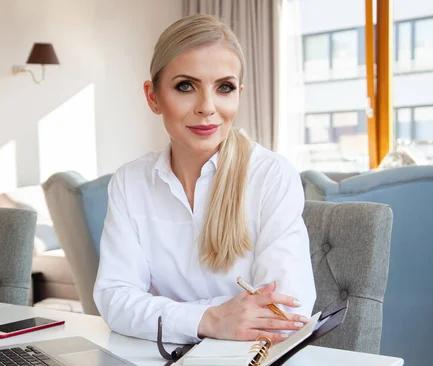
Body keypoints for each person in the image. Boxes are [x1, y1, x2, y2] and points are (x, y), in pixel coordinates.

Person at [93, 14, 316, 344]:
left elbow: (284, 313)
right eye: (186, 86)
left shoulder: (271, 175)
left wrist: (162, 313)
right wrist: (211, 319)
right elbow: (114, 300)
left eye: (224, 88)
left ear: (238, 94)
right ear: (153, 96)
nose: (207, 107)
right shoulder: (130, 182)